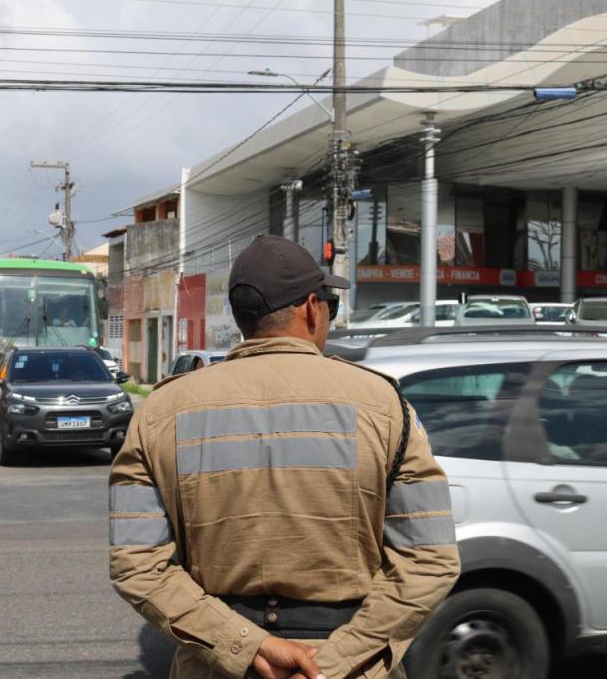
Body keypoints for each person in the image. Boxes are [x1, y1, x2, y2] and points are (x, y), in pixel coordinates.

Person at [109, 235, 460, 679]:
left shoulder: (161, 411)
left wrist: (242, 645)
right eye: (330, 303)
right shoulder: (385, 405)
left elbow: (135, 564)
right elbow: (430, 560)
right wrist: (329, 664)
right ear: (312, 307)